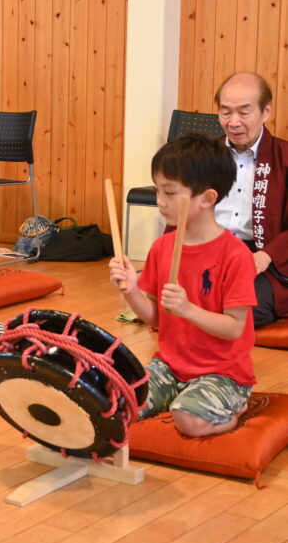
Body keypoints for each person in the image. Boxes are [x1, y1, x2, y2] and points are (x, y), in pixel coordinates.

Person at [110, 134, 257, 437]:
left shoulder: (236, 255)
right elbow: (154, 318)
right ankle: (183, 399)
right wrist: (132, 290)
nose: (159, 201)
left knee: (188, 421)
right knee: (118, 403)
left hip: (223, 373)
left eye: (170, 192)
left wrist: (188, 309)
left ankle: (235, 408)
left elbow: (233, 328)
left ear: (207, 198)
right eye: (158, 189)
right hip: (169, 365)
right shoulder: (162, 247)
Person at [213, 72, 288, 327]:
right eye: (225, 112)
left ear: (265, 112)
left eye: (244, 112)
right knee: (176, 298)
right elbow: (181, 212)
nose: (233, 122)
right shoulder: (203, 157)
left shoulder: (284, 158)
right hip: (209, 253)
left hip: (261, 260)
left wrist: (266, 255)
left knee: (244, 309)